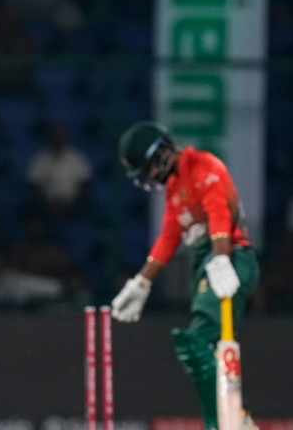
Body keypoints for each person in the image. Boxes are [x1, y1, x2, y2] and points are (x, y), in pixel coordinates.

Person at [111, 122, 259, 430]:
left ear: (161, 153)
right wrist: (142, 283)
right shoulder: (175, 190)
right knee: (205, 351)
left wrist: (221, 257)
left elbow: (219, 212)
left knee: (196, 344)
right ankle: (235, 418)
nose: (149, 176)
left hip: (232, 258)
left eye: (147, 168)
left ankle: (227, 421)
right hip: (207, 264)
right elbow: (168, 237)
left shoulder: (203, 166)